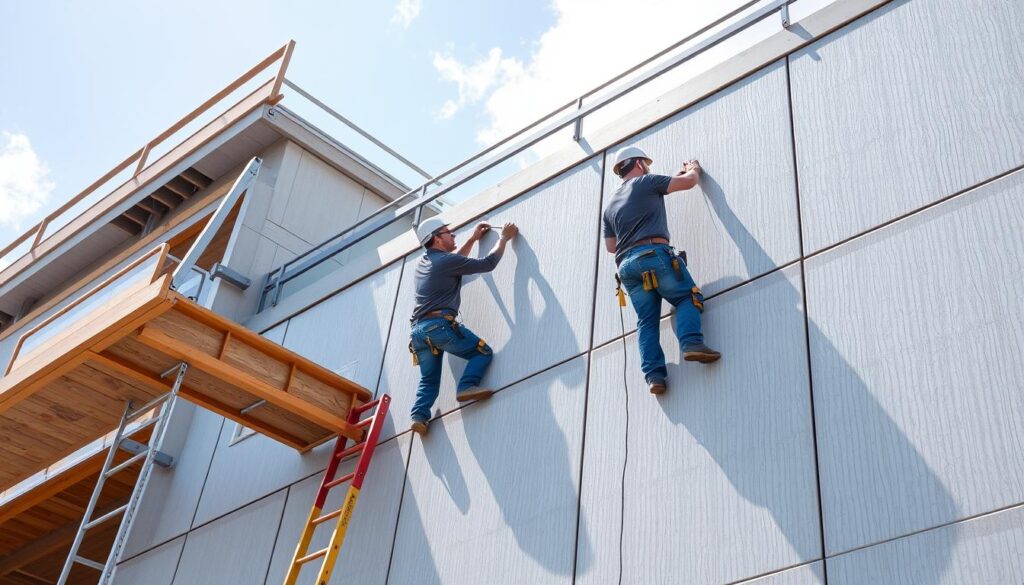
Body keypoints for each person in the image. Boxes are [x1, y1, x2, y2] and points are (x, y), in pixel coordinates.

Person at [602, 146, 721, 395]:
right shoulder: (647, 182)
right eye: (645, 163)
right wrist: (694, 170)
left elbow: (611, 247)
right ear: (638, 163)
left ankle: (654, 376)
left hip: (626, 268)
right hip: (653, 253)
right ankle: (691, 343)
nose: (648, 167)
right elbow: (688, 183)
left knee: (646, 321)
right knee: (687, 297)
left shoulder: (610, 206)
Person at [408, 217, 519, 434]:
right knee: (482, 352)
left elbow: (455, 262)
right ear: (437, 238)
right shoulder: (444, 262)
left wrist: (473, 238)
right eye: (448, 232)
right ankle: (467, 386)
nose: (453, 235)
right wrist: (504, 238)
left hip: (418, 332)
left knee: (429, 379)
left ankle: (419, 416)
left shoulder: (426, 262)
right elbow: (488, 264)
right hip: (438, 326)